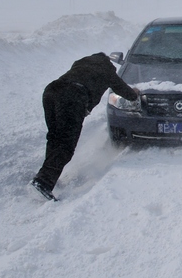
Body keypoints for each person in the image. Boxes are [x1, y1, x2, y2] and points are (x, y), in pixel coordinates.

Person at [30, 52, 139, 201]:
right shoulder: (107, 70)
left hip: (51, 91)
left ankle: (47, 176)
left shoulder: (80, 63)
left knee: (55, 137)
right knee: (66, 144)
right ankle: (43, 182)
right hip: (72, 97)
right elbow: (124, 91)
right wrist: (134, 94)